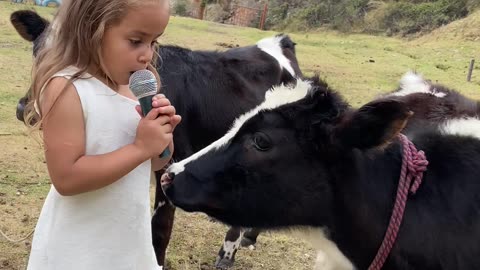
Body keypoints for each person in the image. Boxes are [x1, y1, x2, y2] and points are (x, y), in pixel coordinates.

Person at [23, 0, 181, 269]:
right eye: (135, 41)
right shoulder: (67, 88)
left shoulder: (137, 87)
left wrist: (162, 136)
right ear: (91, 29)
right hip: (79, 247)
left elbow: (154, 163)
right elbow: (66, 178)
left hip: (128, 240)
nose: (147, 55)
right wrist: (140, 148)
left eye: (153, 42)